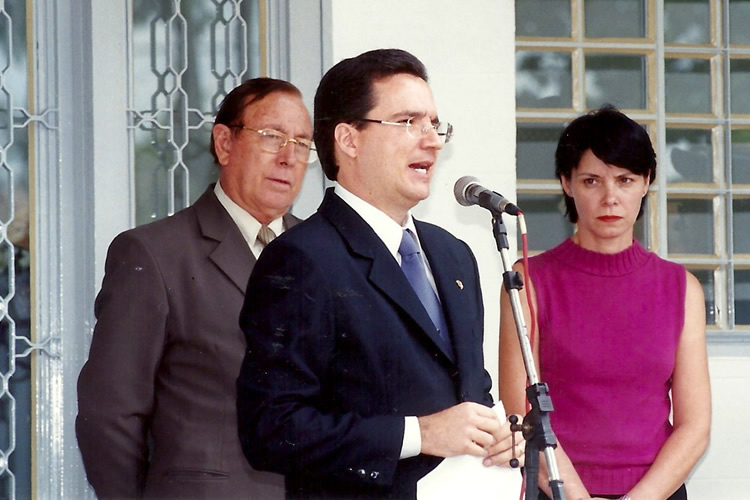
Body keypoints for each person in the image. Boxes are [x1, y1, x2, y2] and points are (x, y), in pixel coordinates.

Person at [234, 48, 523, 499]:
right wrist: (419, 434)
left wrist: (500, 435)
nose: (432, 141)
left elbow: (471, 394)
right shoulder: (301, 258)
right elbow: (272, 428)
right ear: (349, 140)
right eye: (408, 122)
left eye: (435, 125)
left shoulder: (454, 255)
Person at [76, 77, 315, 499]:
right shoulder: (155, 253)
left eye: (302, 143)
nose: (288, 157)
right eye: (271, 136)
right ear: (224, 144)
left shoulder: (322, 254)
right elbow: (110, 414)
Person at [498, 105, 711, 500]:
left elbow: (694, 427)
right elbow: (520, 413)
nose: (610, 197)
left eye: (625, 180)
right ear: (567, 183)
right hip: (556, 490)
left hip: (656, 493)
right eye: (592, 181)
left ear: (646, 183)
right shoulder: (528, 281)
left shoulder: (681, 288)